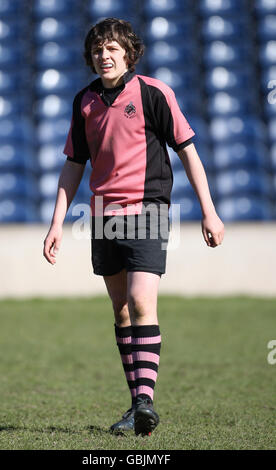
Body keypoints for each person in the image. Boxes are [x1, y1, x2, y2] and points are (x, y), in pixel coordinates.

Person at [43, 17, 224, 436]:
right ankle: (137, 406)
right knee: (121, 309)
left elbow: (188, 152)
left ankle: (145, 401)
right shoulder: (84, 101)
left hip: (148, 211)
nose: (103, 56)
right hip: (102, 215)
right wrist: (55, 224)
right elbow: (74, 164)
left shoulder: (154, 93)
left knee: (142, 301)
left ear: (128, 53)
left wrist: (208, 211)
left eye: (111, 48)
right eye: (97, 50)